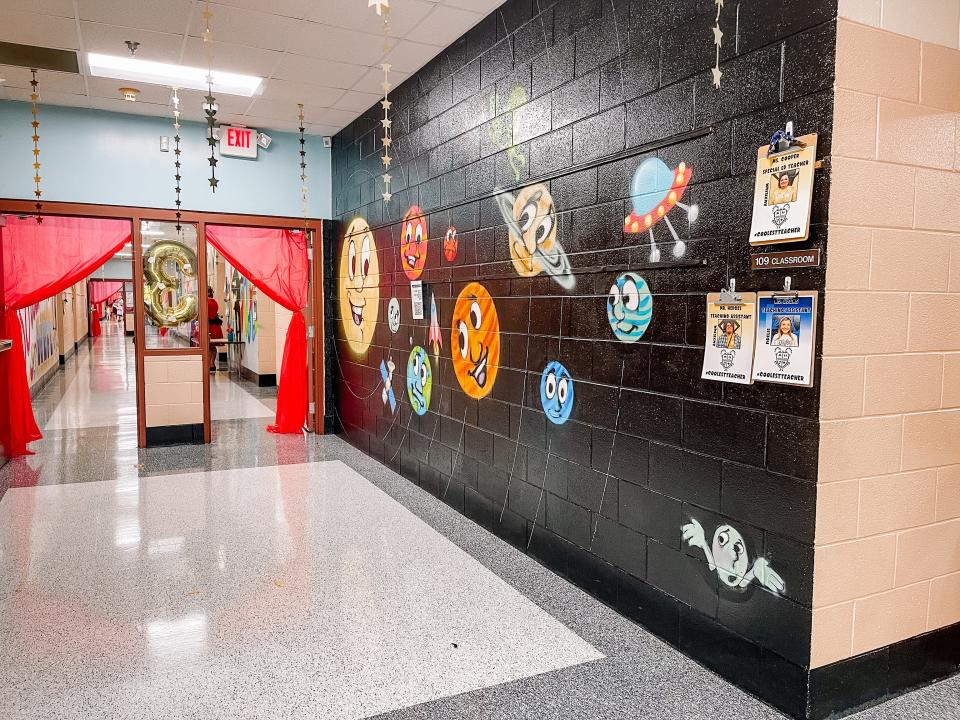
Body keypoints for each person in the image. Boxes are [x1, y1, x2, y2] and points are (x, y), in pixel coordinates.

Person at [207, 287, 224, 371]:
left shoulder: (205, 301)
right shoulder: (214, 302)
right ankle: (212, 363)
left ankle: (208, 364)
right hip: (216, 326)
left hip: (209, 326)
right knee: (213, 347)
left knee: (209, 346)